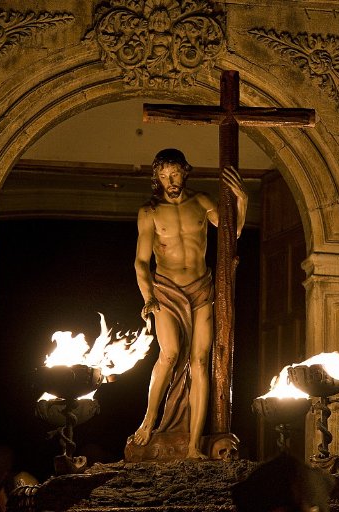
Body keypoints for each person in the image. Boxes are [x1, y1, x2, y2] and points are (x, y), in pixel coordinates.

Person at [130, 148, 247, 459]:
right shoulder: (150, 212)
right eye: (164, 176)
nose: (171, 180)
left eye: (176, 173)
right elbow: (141, 262)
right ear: (156, 178)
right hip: (166, 289)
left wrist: (242, 202)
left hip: (200, 288)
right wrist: (148, 297)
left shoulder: (202, 202)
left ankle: (194, 445)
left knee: (200, 362)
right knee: (168, 354)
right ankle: (148, 420)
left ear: (185, 171)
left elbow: (231, 234)